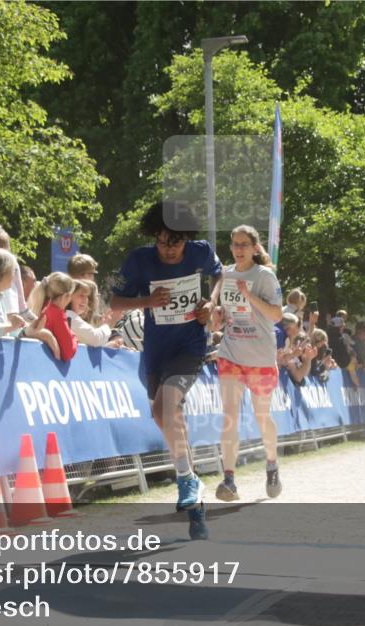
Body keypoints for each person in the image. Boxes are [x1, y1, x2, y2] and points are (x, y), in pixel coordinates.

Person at [110, 201, 219, 539]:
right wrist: (146, 302)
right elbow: (113, 303)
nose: (168, 250)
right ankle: (194, 497)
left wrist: (211, 303)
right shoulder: (139, 260)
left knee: (168, 406)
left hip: (189, 347)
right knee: (162, 414)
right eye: (162, 242)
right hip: (155, 351)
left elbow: (220, 276)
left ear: (186, 238)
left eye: (175, 242)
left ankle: (185, 479)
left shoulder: (201, 252)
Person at [211, 225, 284, 502]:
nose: (239, 249)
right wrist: (219, 316)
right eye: (235, 244)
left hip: (260, 357)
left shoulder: (264, 276)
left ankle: (272, 464)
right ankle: (229, 480)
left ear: (255, 248)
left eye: (244, 244)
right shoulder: (226, 274)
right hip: (231, 353)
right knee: (229, 416)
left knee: (262, 417)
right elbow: (225, 313)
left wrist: (249, 295)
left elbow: (277, 315)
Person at [27, 272, 78, 361]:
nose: (70, 300)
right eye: (70, 296)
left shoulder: (45, 308)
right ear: (65, 296)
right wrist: (74, 337)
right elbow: (68, 352)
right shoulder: (58, 314)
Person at [67, 279, 123, 348]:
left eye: (87, 296)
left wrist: (109, 346)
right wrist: (107, 325)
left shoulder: (71, 316)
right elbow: (95, 338)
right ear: (69, 297)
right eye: (81, 295)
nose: (85, 300)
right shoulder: (68, 316)